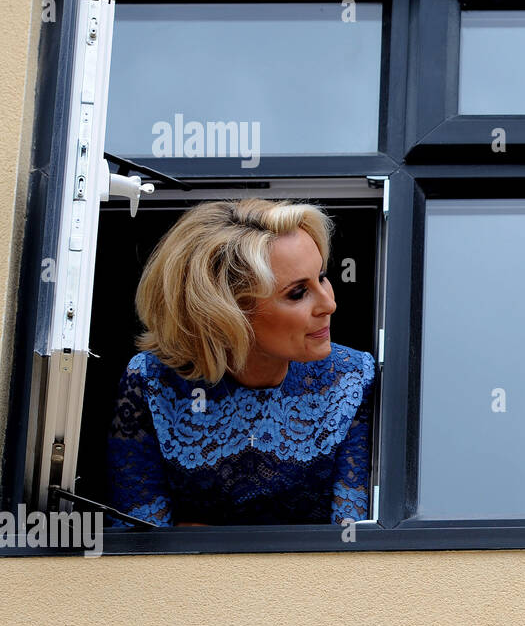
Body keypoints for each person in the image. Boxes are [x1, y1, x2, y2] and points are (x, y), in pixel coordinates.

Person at [106, 199, 374, 527]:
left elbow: (353, 543)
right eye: (298, 293)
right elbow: (139, 542)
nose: (329, 303)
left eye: (322, 277)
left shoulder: (351, 378)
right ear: (228, 313)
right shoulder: (151, 381)